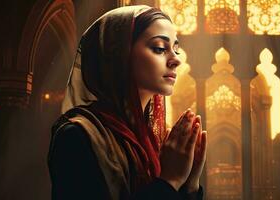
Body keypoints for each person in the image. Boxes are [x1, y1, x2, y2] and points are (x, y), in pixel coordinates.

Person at [48, 5, 207, 200]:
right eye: (159, 48)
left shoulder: (153, 141)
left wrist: (189, 185)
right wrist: (170, 180)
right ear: (119, 55)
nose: (176, 60)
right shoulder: (77, 134)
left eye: (175, 48)